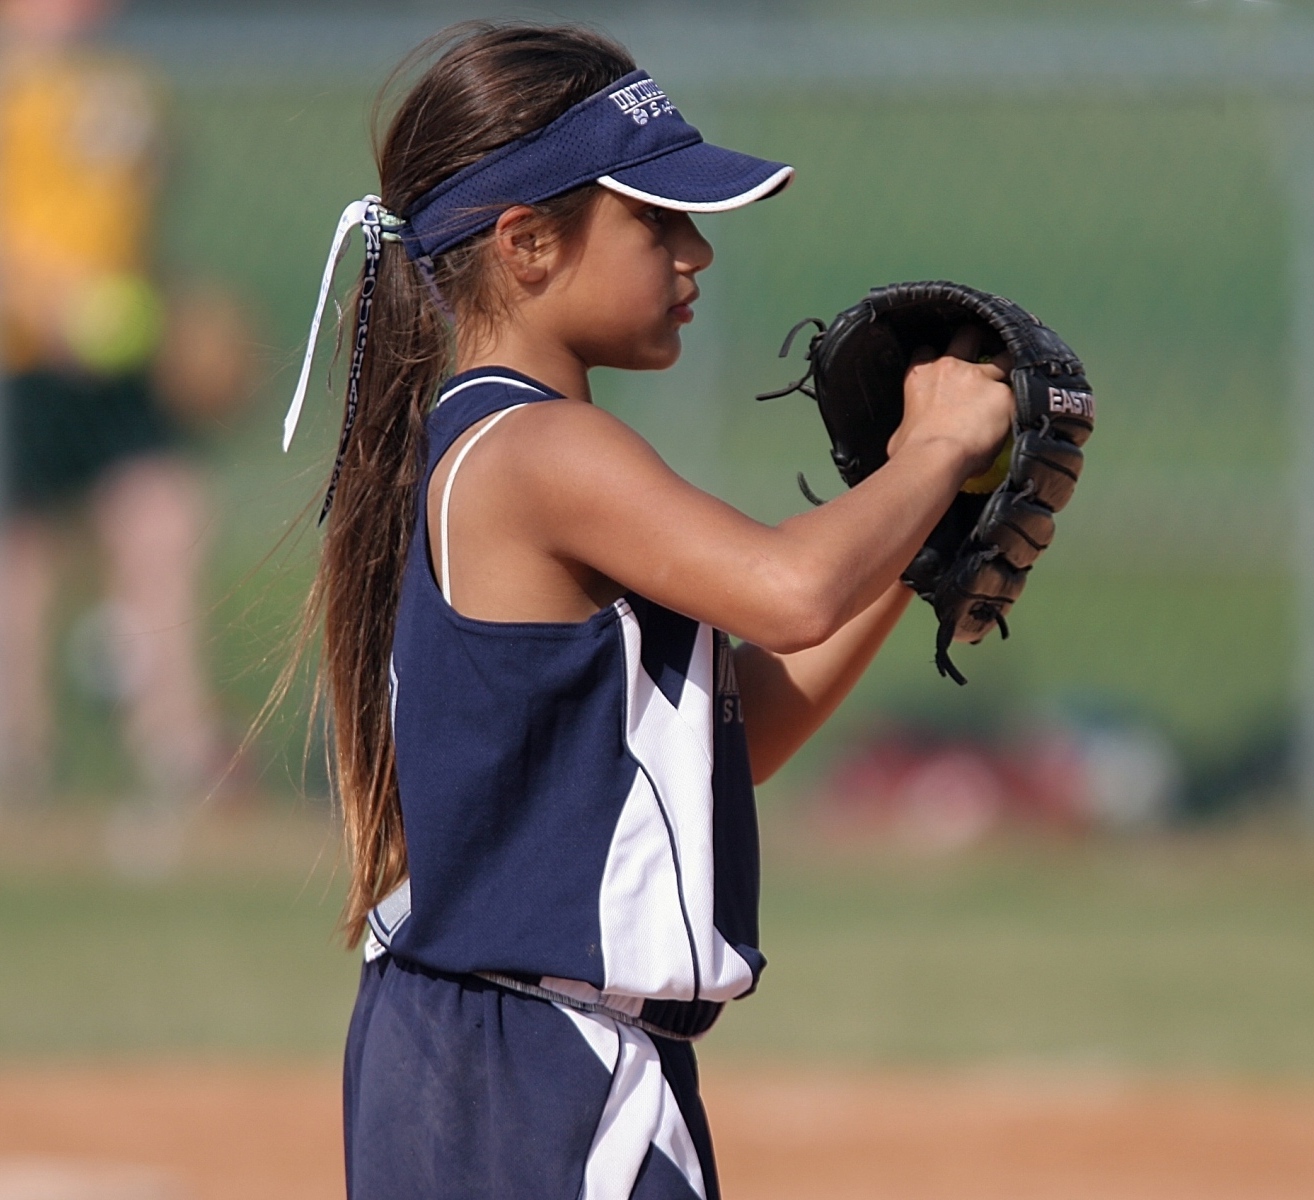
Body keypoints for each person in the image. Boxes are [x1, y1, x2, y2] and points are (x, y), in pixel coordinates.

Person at [283, 23, 1013, 1200]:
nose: (693, 254)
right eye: (655, 220)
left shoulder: (509, 444)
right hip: (535, 1077)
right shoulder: (538, 448)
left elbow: (744, 730)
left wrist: (920, 535)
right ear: (525, 242)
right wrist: (929, 452)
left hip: (519, 1061)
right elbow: (789, 591)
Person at [0, 0, 228, 810]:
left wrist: (171, 308)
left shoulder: (127, 85)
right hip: (21, 361)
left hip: (117, 358)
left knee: (164, 521)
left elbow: (134, 228)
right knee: (21, 564)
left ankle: (175, 745)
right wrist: (49, 302)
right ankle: (17, 756)